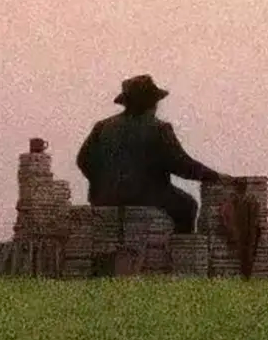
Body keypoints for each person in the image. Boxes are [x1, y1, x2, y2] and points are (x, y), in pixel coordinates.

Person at [76, 75, 233, 234]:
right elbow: (182, 165)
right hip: (148, 197)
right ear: (151, 104)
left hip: (104, 198)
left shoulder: (102, 127)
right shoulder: (159, 129)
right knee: (188, 206)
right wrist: (215, 176)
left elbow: (83, 161)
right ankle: (179, 248)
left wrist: (102, 183)